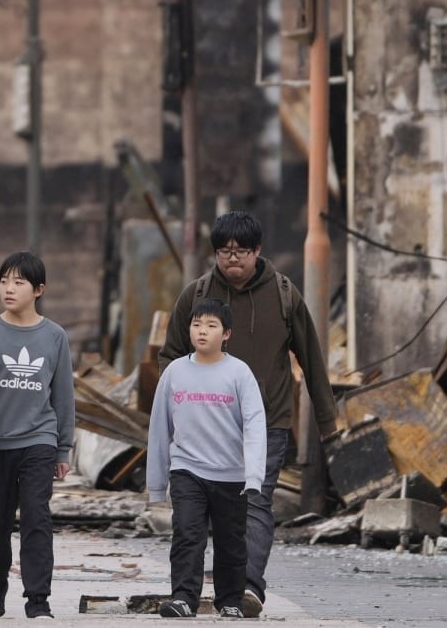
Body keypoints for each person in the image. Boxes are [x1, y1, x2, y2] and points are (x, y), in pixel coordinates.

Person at [159, 211, 339, 617]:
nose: (232, 260)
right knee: (198, 512)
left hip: (268, 421)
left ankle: (247, 589)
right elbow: (170, 356)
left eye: (241, 252)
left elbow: (310, 357)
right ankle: (190, 590)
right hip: (205, 425)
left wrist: (328, 421)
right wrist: (174, 413)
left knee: (255, 501)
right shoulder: (196, 295)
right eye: (224, 252)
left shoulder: (284, 294)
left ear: (257, 251)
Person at [0, 251, 74, 620]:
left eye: (19, 282)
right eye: (4, 281)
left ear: (39, 289)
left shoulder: (55, 337)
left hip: (38, 440)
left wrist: (63, 447)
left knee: (36, 517)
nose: (9, 289)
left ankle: (38, 598)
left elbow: (62, 396)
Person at [148, 298, 267, 619]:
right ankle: (184, 597)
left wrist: (254, 475)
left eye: (211, 325)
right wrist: (156, 486)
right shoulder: (175, 372)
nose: (202, 331)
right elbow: (159, 428)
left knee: (230, 542)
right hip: (187, 470)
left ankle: (229, 600)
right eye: (197, 324)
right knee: (187, 534)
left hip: (231, 476)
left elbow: (256, 425)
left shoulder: (239, 373)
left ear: (226, 333)